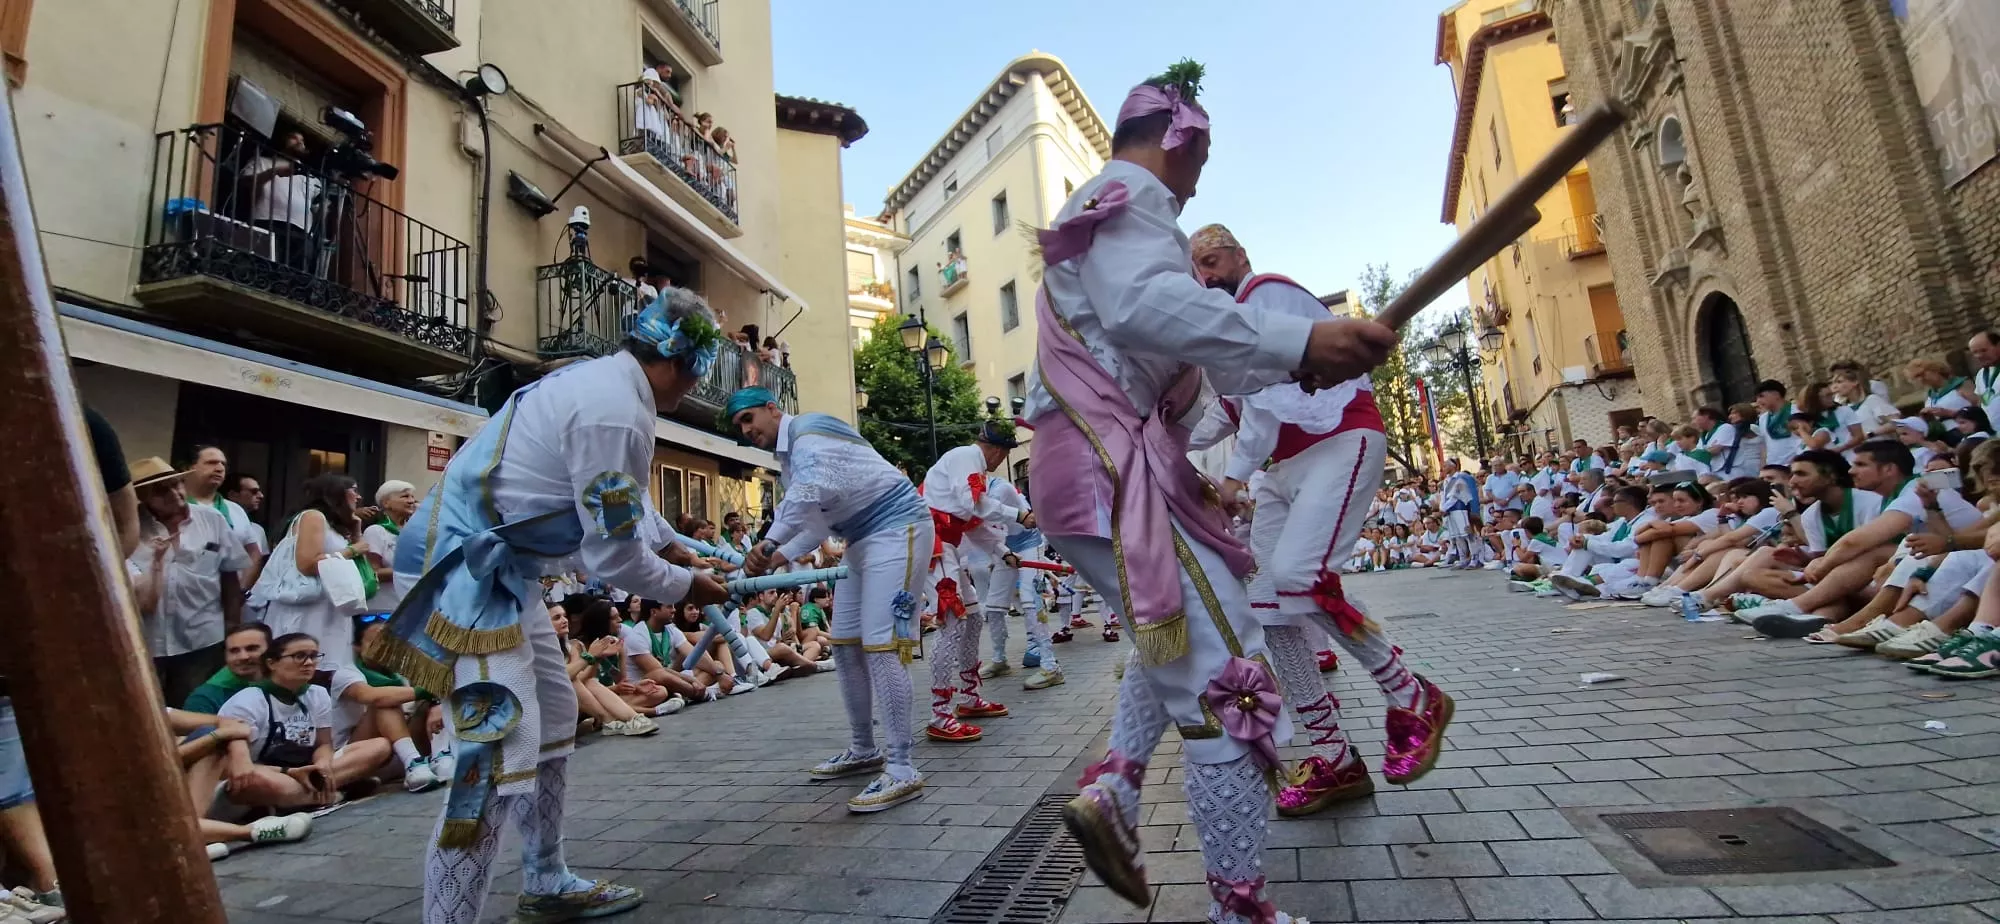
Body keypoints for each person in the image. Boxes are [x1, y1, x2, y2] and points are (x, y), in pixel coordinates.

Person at [1022, 62, 1395, 924]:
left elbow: (1172, 358)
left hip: (1104, 467)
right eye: (1202, 156)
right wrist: (1304, 337)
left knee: (1186, 637)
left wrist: (1300, 351)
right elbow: (1145, 312)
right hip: (1109, 466)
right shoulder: (1131, 194)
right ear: (1178, 140)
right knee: (1231, 681)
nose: (1199, 184)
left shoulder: (1103, 213)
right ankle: (1239, 910)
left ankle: (1117, 784)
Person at [365, 286, 732, 924]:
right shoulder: (614, 410)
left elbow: (625, 508)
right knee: (495, 750)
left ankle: (545, 877)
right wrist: (685, 585)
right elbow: (613, 556)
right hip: (462, 578)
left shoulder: (608, 389)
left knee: (557, 710)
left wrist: (680, 551)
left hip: (501, 575)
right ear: (685, 367)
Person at [1185, 222, 1451, 819]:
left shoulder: (1266, 294)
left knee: (1301, 577)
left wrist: (1228, 481)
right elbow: (1220, 419)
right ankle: (1334, 756)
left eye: (1213, 259)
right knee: (1271, 611)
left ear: (1241, 254)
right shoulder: (1229, 341)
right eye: (1197, 268)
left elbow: (1258, 414)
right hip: (1283, 471)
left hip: (1339, 442)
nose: (1207, 275)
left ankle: (1412, 695)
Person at [730, 384, 935, 813]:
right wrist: (776, 556)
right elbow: (819, 521)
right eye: (739, 426)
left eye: (749, 418)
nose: (746, 430)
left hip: (899, 531)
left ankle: (902, 767)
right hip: (864, 540)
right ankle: (864, 748)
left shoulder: (806, 434)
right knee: (843, 645)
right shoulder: (793, 456)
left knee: (883, 647)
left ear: (773, 408)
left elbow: (806, 497)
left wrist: (767, 548)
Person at [919, 421, 1026, 742]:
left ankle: (968, 697)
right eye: (1005, 453)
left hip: (946, 545)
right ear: (996, 450)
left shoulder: (974, 468)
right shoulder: (968, 457)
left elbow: (972, 522)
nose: (1001, 460)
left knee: (973, 618)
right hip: (933, 544)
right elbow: (971, 506)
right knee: (952, 622)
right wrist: (1018, 515)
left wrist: (1003, 551)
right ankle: (940, 713)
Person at [216, 633, 391, 809]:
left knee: (380, 746)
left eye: (313, 656)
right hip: (269, 772)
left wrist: (323, 763)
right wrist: (289, 773)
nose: (308, 663)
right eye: (299, 656)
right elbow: (236, 765)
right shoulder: (247, 701)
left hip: (308, 768)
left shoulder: (318, 694)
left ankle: (305, 795)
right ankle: (334, 793)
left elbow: (324, 744)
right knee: (261, 780)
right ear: (272, 663)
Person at [130, 457, 250, 707]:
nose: (175, 494)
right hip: (147, 639)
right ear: (143, 497)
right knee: (146, 708)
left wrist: (232, 627)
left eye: (177, 485)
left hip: (202, 637)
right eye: (162, 491)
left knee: (195, 709)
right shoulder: (131, 529)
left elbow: (230, 576)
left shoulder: (211, 520)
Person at [254, 474, 372, 675]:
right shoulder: (313, 516)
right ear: (336, 493)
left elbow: (358, 567)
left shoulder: (334, 525)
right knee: (305, 666)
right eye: (354, 490)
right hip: (308, 610)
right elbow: (307, 564)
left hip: (328, 608)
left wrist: (356, 530)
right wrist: (353, 550)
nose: (358, 497)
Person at [183, 623, 274, 716]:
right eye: (234, 651)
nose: (243, 657)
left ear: (271, 650)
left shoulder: (286, 682)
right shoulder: (204, 699)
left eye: (251, 649)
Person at [362, 480, 418, 618]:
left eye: (412, 497)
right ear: (386, 503)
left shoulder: (413, 533)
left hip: (410, 607)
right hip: (383, 610)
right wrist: (413, 570)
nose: (411, 501)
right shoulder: (376, 531)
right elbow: (373, 573)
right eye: (405, 497)